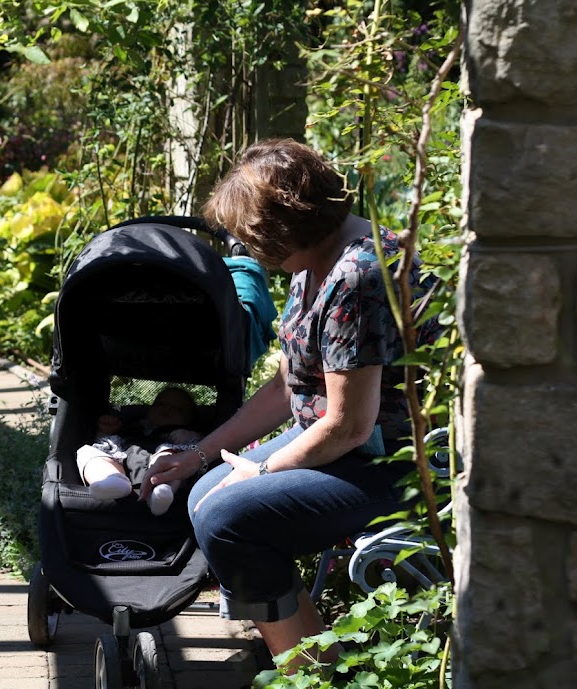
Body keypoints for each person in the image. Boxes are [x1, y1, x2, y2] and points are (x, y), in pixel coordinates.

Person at [138, 138, 437, 670]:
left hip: (392, 462)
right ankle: (316, 660)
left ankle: (308, 675)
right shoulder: (313, 261)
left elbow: (349, 426)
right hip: (337, 444)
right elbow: (288, 385)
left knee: (228, 517)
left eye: (252, 237)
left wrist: (261, 472)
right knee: (203, 493)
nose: (251, 250)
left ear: (282, 229)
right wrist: (198, 455)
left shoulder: (358, 276)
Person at [78, 387, 202, 516]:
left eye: (178, 409)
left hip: (159, 462)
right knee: (88, 452)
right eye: (161, 404)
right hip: (122, 459)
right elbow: (104, 444)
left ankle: (160, 493)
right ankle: (112, 480)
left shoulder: (185, 435)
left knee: (170, 457)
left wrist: (190, 435)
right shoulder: (132, 426)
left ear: (190, 419)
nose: (168, 409)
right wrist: (105, 431)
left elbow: (201, 452)